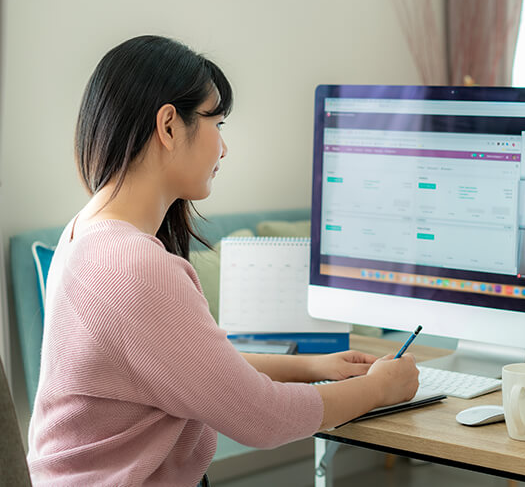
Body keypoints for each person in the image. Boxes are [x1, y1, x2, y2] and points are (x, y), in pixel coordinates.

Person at [26, 35, 419, 486]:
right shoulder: (134, 266)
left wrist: (312, 367)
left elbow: (197, 365)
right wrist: (379, 389)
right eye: (218, 123)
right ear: (170, 126)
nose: (224, 148)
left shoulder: (86, 231)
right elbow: (262, 417)